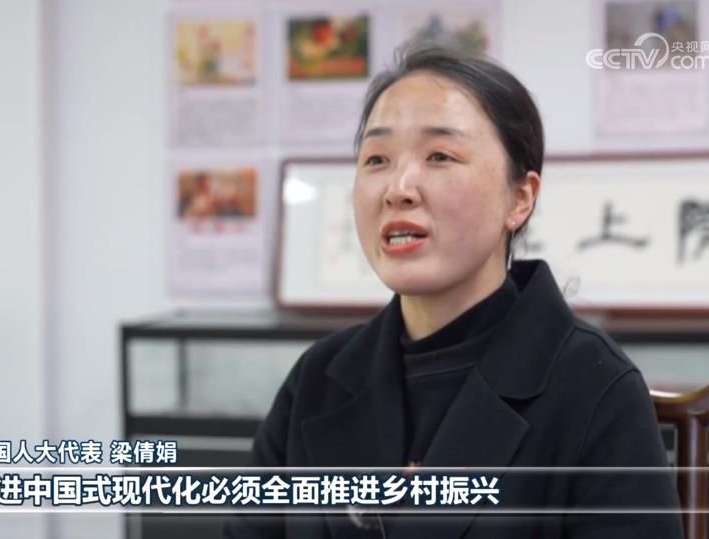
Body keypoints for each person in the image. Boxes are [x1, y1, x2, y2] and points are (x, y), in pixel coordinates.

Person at [223, 40, 684, 538]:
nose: (399, 188)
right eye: (376, 159)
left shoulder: (594, 386)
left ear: (520, 198)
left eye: (439, 156)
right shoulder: (318, 379)